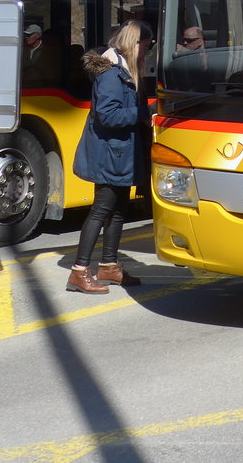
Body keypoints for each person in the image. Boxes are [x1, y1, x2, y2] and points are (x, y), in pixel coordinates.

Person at [66, 20, 155, 294]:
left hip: (120, 153)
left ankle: (109, 266)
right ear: (134, 44)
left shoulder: (123, 71)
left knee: (118, 211)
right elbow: (108, 115)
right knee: (102, 210)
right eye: (147, 46)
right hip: (110, 153)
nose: (148, 52)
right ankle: (79, 271)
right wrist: (144, 113)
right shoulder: (112, 74)